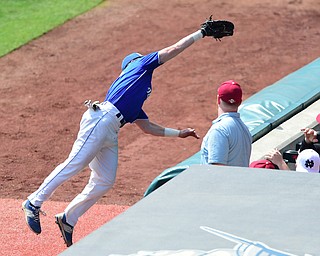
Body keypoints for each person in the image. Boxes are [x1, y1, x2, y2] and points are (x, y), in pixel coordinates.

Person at [22, 20, 231, 247]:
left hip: (110, 129)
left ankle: (68, 218)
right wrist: (201, 33)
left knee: (105, 180)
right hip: (101, 119)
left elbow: (148, 127)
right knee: (75, 163)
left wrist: (179, 133)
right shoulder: (140, 65)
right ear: (133, 63)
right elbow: (173, 49)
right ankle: (34, 201)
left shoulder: (135, 101)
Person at [200, 80, 252, 167]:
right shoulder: (244, 129)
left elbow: (218, 170)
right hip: (241, 179)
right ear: (240, 102)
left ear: (218, 100)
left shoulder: (219, 130)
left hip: (223, 180)